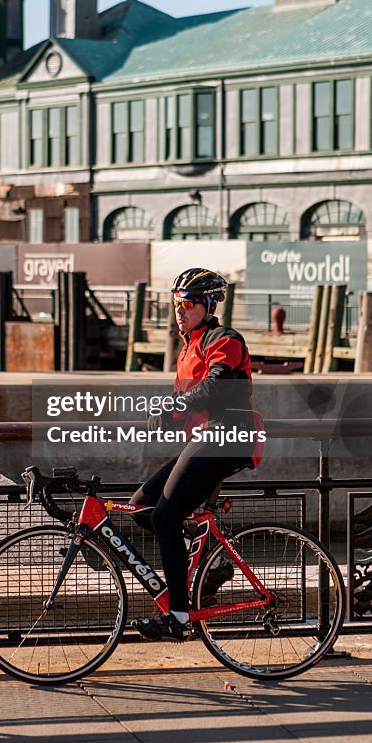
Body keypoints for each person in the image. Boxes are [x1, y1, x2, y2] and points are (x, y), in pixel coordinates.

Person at [130, 267, 259, 642]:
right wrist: (164, 417)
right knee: (143, 507)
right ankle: (212, 557)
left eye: (187, 304)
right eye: (175, 303)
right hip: (205, 438)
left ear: (208, 304)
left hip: (229, 438)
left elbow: (216, 387)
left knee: (167, 516)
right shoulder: (190, 345)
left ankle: (179, 616)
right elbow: (190, 404)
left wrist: (174, 405)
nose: (179, 311)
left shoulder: (225, 339)